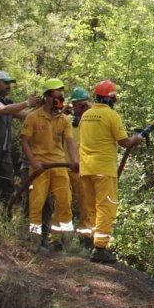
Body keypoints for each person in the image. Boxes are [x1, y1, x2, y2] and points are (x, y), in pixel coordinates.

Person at [79, 79, 144, 264]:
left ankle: (91, 244)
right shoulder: (111, 115)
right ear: (111, 98)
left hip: (86, 169)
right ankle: (100, 248)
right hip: (103, 170)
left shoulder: (86, 115)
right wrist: (136, 139)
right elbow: (124, 142)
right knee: (106, 207)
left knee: (91, 207)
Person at [0, 70, 39, 230]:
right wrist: (27, 102)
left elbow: (26, 116)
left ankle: (3, 216)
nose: (8, 86)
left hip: (4, 151)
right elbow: (3, 110)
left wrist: (44, 108)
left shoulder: (8, 102)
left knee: (8, 185)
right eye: (5, 82)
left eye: (10, 83)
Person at [20, 78, 78, 252]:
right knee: (36, 203)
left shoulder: (64, 120)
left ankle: (67, 243)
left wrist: (74, 161)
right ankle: (35, 241)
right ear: (47, 96)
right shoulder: (33, 117)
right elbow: (24, 141)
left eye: (61, 92)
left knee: (64, 203)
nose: (60, 96)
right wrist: (34, 162)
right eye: (56, 92)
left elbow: (69, 142)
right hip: (40, 167)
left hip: (59, 166)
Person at [67, 86, 95, 250]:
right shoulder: (66, 121)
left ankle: (86, 239)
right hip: (66, 167)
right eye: (78, 105)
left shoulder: (93, 121)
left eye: (83, 105)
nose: (81, 108)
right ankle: (58, 239)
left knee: (87, 205)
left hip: (84, 170)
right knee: (63, 204)